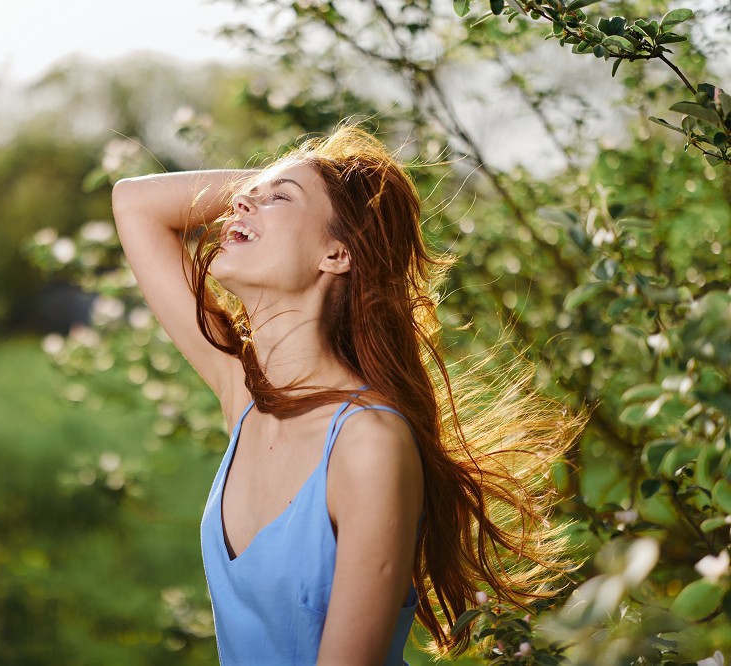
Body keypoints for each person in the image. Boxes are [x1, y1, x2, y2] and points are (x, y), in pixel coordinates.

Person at [111, 125, 581, 665]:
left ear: (337, 253)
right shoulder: (246, 397)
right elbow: (135, 201)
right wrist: (278, 188)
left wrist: (325, 193)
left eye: (277, 198)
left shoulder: (368, 443)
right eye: (247, 195)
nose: (241, 201)